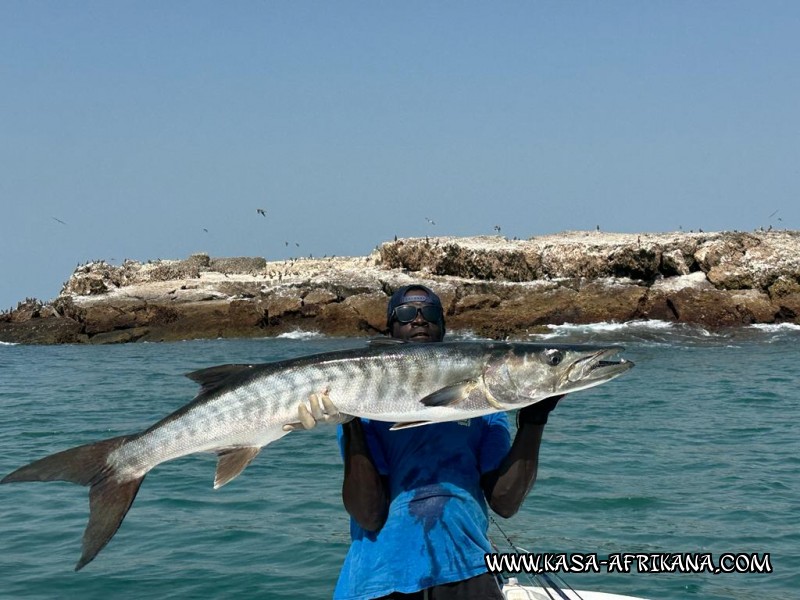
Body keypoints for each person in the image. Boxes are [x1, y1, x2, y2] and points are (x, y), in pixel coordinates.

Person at [288, 285, 561, 599]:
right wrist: (350, 424)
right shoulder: (364, 407)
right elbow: (368, 514)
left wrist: (535, 419)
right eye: (405, 314)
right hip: (379, 575)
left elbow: (505, 502)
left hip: (467, 568)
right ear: (390, 330)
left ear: (443, 328)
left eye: (429, 313)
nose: (418, 320)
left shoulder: (486, 406)